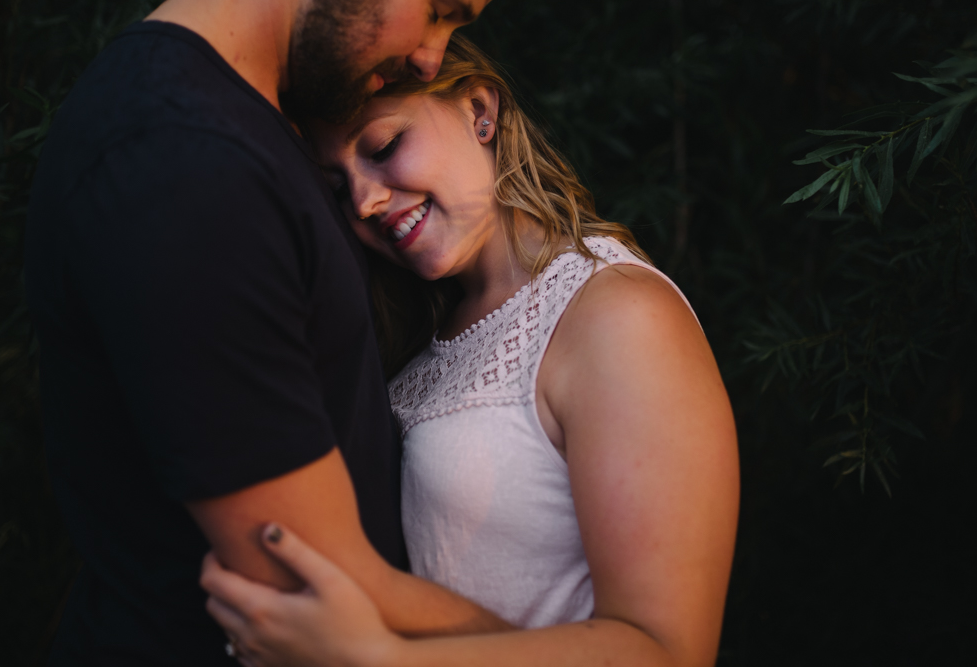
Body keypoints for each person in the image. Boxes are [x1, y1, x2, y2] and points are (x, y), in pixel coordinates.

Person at [22, 0, 522, 662]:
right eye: (440, 6)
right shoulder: (183, 162)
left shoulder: (257, 130)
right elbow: (318, 583)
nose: (433, 57)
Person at [200, 35, 742, 666]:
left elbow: (667, 652)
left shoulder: (617, 314)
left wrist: (375, 659)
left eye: (383, 147)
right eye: (338, 189)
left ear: (479, 110)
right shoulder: (415, 340)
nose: (366, 201)